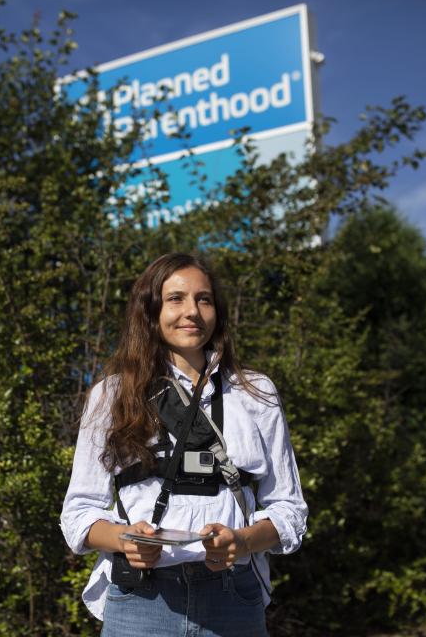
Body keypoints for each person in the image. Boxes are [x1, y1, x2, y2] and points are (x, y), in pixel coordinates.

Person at [60, 253, 308, 636]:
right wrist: (125, 540)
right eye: (176, 298)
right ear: (151, 310)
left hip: (233, 598)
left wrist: (241, 541)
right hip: (140, 602)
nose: (192, 311)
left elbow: (289, 508)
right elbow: (78, 512)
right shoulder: (113, 395)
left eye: (204, 299)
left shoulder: (255, 393)